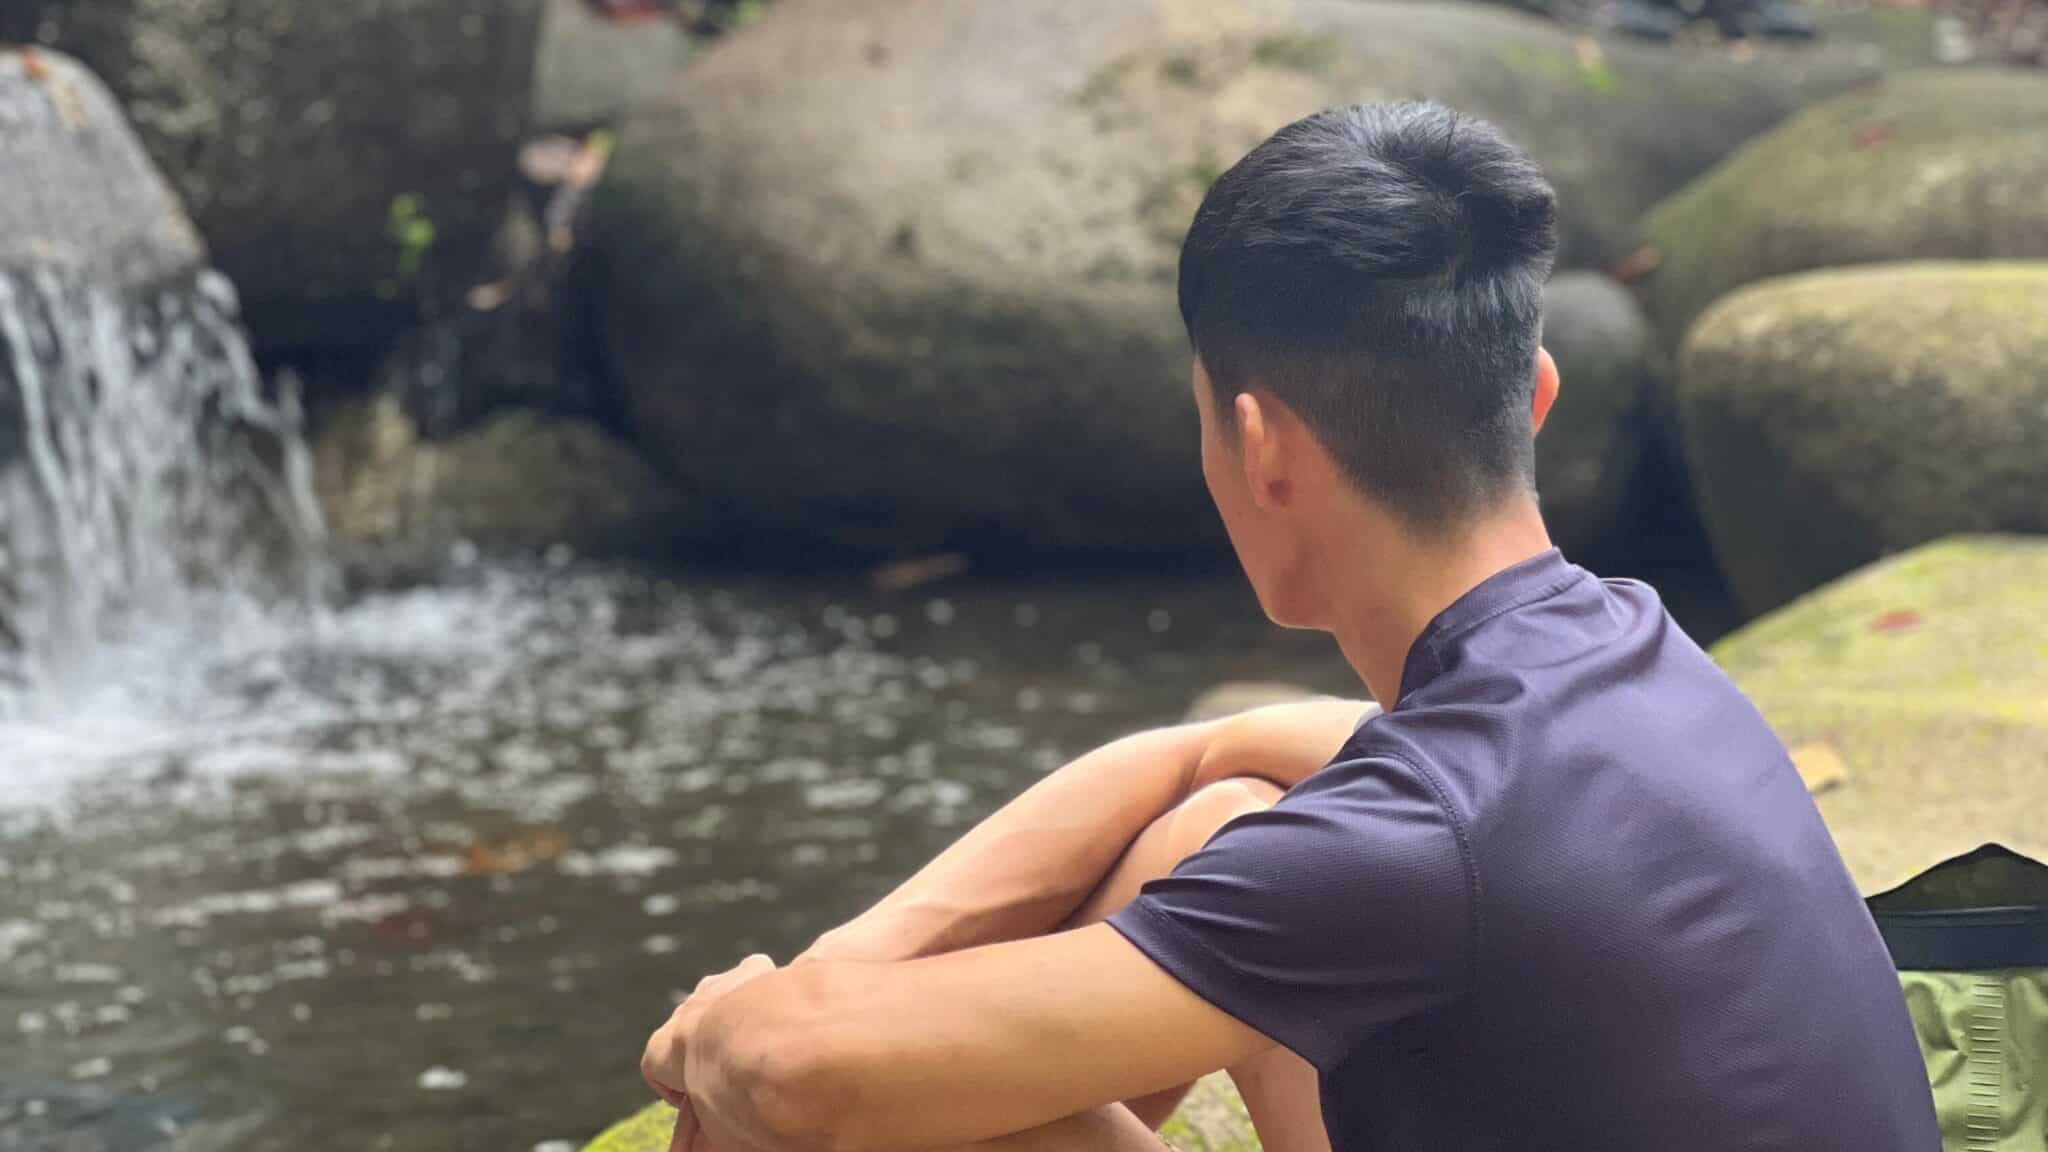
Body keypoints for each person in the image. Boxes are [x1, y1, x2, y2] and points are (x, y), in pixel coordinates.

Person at [640, 102, 1938, 1152]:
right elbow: (1228, 752)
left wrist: (745, 1017)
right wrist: (849, 973)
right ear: (1533, 395)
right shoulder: (1620, 646)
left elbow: (789, 1073)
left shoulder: (1426, 837)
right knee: (1211, 831)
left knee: (812, 1095)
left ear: (1258, 448)